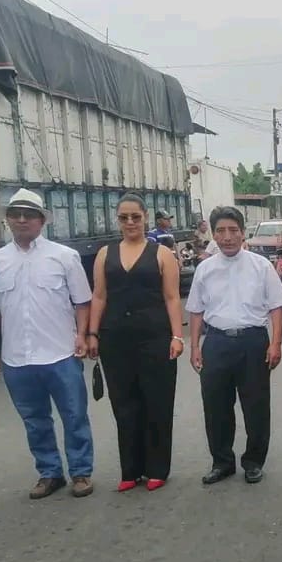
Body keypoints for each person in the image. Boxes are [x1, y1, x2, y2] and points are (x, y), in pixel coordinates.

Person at [0, 188, 95, 499]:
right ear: (7, 220)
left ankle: (81, 472)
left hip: (61, 353)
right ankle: (49, 473)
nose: (22, 220)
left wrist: (82, 335)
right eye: (15, 214)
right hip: (17, 358)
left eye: (29, 215)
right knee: (34, 421)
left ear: (42, 220)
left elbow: (82, 301)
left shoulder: (64, 257)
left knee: (74, 416)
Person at [87, 193, 184, 492]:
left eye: (136, 217)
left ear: (145, 218)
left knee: (157, 402)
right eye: (124, 217)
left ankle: (157, 468)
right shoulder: (105, 254)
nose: (130, 222)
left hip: (155, 338)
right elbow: (99, 296)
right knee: (124, 404)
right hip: (115, 339)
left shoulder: (161, 254)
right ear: (117, 220)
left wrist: (177, 336)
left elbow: (171, 297)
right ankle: (130, 469)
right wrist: (92, 334)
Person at [187, 206, 282, 486]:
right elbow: (196, 310)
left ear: (243, 233)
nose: (227, 236)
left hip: (253, 342)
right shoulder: (205, 269)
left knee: (256, 406)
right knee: (216, 406)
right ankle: (222, 462)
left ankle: (253, 462)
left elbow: (277, 307)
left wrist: (276, 343)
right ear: (213, 234)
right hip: (216, 342)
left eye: (233, 230)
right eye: (221, 231)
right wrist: (195, 347)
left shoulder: (260, 266)